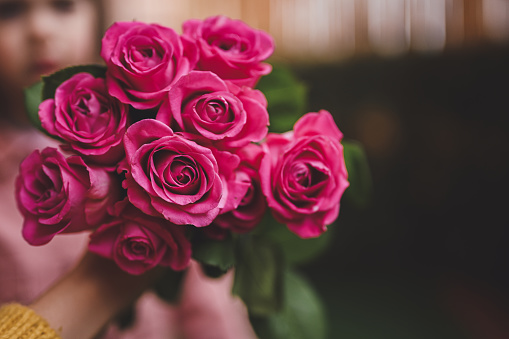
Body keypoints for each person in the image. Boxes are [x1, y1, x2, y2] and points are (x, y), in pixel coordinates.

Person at [0, 0, 257, 338]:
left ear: (99, 20)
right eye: (10, 11)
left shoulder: (157, 138)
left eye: (63, 6)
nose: (40, 30)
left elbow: (209, 313)